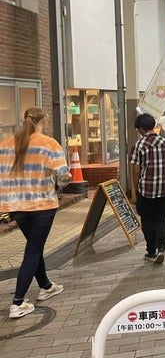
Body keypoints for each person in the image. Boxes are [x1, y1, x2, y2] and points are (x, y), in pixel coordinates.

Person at [0, 108, 70, 319]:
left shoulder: (5, 145)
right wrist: (58, 185)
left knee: (34, 246)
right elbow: (64, 175)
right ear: (44, 121)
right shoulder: (48, 144)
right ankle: (18, 303)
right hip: (42, 205)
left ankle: (46, 286)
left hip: (15, 206)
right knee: (33, 250)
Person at [131, 113, 165, 265]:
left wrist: (135, 188)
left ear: (141, 129)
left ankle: (151, 251)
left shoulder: (139, 145)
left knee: (147, 220)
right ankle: (161, 248)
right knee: (162, 219)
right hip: (164, 189)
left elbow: (136, 170)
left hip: (146, 190)